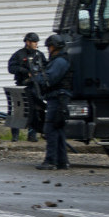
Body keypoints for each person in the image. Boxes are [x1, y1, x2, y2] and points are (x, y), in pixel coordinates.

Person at [35, 34, 72, 170]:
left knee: (50, 129)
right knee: (58, 129)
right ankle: (62, 162)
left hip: (58, 98)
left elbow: (49, 79)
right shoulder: (60, 60)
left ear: (54, 47)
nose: (48, 49)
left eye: (49, 47)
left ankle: (51, 161)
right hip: (59, 97)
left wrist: (37, 77)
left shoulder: (59, 61)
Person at [7, 32, 46, 142]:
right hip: (22, 87)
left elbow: (46, 67)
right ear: (27, 42)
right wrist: (25, 71)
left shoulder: (39, 55)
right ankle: (15, 136)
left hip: (35, 87)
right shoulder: (19, 54)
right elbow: (11, 68)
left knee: (35, 111)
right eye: (33, 42)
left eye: (36, 42)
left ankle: (32, 135)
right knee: (18, 111)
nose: (36, 44)